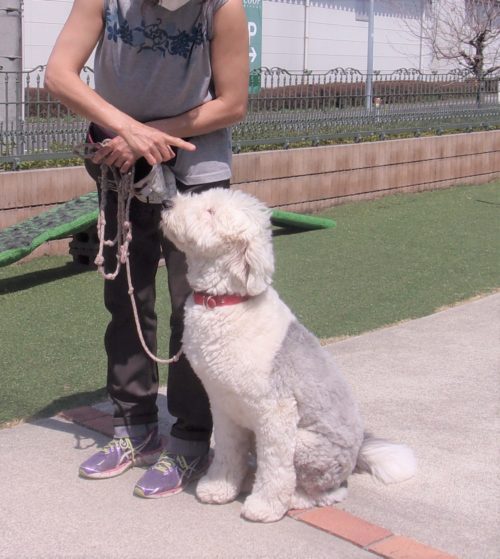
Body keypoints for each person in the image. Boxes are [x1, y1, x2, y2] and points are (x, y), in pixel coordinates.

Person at [45, 0, 249, 498]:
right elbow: (59, 75)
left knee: (194, 307)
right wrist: (127, 130)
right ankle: (133, 427)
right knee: (126, 297)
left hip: (196, 170)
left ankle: (190, 438)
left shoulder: (222, 7)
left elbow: (232, 103)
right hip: (120, 165)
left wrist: (147, 135)